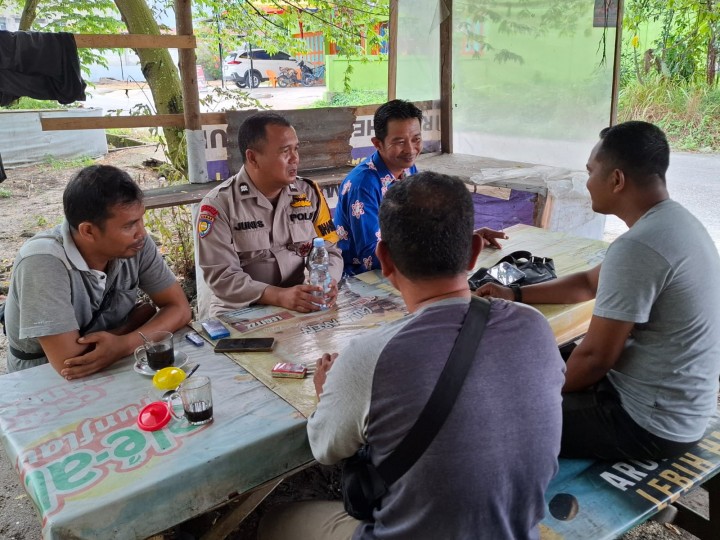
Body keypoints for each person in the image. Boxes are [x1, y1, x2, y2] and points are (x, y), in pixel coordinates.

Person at [258, 171, 565, 540]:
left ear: (383, 259)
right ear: (473, 251)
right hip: (517, 531)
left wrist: (329, 395)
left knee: (276, 521)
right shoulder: (534, 326)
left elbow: (325, 449)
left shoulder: (368, 357)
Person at [478, 121, 720, 460]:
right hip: (674, 404)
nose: (587, 182)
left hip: (647, 423)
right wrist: (515, 294)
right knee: (525, 361)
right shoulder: (675, 224)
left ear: (617, 180)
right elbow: (589, 283)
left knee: (490, 417)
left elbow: (594, 361)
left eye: (591, 172)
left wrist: (531, 397)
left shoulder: (640, 246)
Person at [3, 165, 191, 379]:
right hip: (42, 379)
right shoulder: (42, 262)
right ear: (88, 231)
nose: (142, 232)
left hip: (117, 361)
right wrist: (134, 323)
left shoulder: (135, 244)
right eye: (129, 225)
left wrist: (123, 344)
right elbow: (70, 362)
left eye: (141, 219)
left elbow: (181, 309)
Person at [333, 99, 506, 276]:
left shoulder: (408, 168)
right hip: (360, 279)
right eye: (399, 142)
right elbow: (371, 257)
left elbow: (421, 229)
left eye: (416, 139)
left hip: (404, 267)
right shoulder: (363, 185)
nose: (410, 150)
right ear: (378, 144)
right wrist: (448, 250)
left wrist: (461, 239)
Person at [196, 112, 342, 318]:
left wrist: (329, 281)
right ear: (253, 158)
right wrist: (278, 296)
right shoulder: (219, 205)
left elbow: (330, 249)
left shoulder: (309, 193)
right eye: (285, 151)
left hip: (298, 302)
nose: (295, 159)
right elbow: (222, 277)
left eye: (296, 149)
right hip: (241, 310)